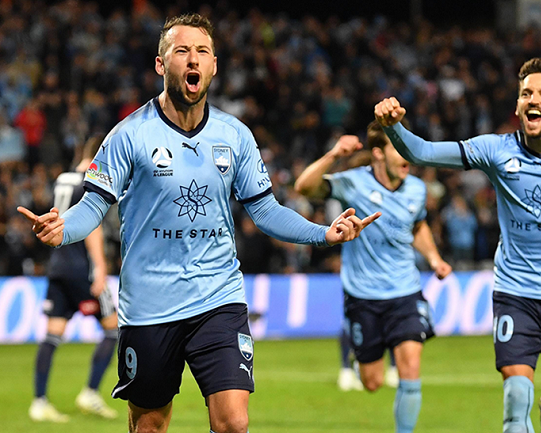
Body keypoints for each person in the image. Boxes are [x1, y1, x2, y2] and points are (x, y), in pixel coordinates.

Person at [18, 13, 378, 433]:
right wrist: (63, 230)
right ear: (161, 64)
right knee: (149, 426)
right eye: (182, 51)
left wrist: (323, 234)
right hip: (150, 305)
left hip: (217, 296)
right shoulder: (128, 135)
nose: (193, 60)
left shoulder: (236, 135)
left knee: (233, 423)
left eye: (202, 52)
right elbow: (93, 205)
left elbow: (265, 210)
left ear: (214, 66)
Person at [374, 57, 541, 433]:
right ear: (517, 105)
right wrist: (395, 127)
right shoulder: (497, 150)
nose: (533, 99)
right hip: (516, 291)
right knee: (516, 398)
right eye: (526, 93)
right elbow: (422, 152)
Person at [294, 121, 452, 433]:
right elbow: (304, 187)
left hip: (405, 292)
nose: (408, 155)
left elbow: (417, 226)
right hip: (363, 297)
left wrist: (434, 258)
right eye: (399, 148)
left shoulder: (417, 189)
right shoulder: (353, 183)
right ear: (378, 153)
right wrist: (334, 154)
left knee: (410, 368)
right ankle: (359, 360)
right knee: (372, 382)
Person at [28, 135, 119, 423]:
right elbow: (90, 225)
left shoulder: (64, 178)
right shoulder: (90, 181)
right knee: (114, 328)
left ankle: (39, 401)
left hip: (58, 264)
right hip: (81, 266)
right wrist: (101, 266)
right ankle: (90, 392)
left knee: (53, 334)